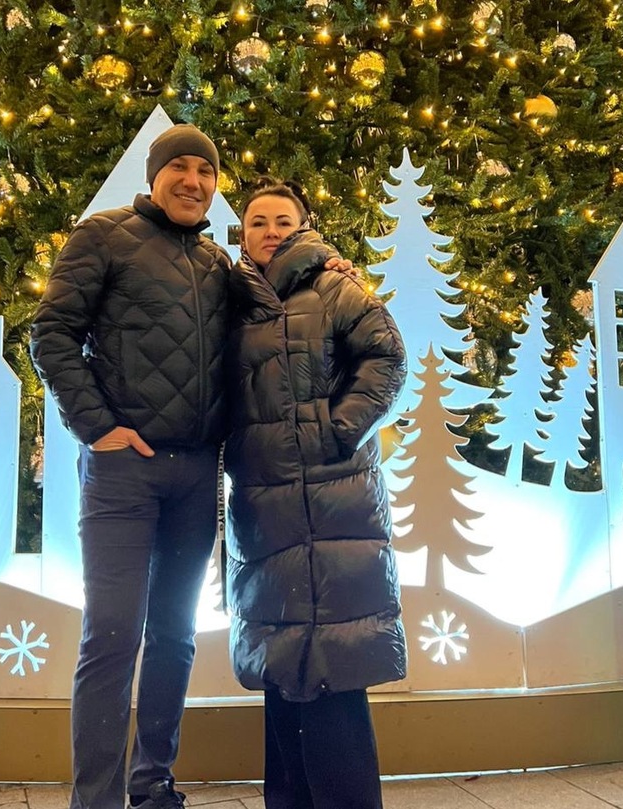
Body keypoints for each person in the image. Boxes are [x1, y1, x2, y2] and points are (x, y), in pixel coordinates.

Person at [30, 127, 352, 809]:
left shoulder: (217, 263)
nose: (193, 180)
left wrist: (327, 266)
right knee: (112, 636)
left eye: (205, 171)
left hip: (197, 474)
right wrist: (98, 427)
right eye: (178, 166)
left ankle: (153, 786)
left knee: (174, 634)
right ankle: (96, 801)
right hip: (123, 474)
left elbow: (275, 298)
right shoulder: (103, 236)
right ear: (154, 176)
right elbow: (51, 333)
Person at [224, 181, 408, 809]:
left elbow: (386, 356)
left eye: (283, 220)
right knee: (281, 662)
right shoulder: (229, 302)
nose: (270, 231)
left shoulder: (334, 287)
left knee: (334, 664)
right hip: (263, 504)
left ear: (303, 227)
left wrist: (335, 429)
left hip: (334, 497)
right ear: (242, 235)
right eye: (257, 221)